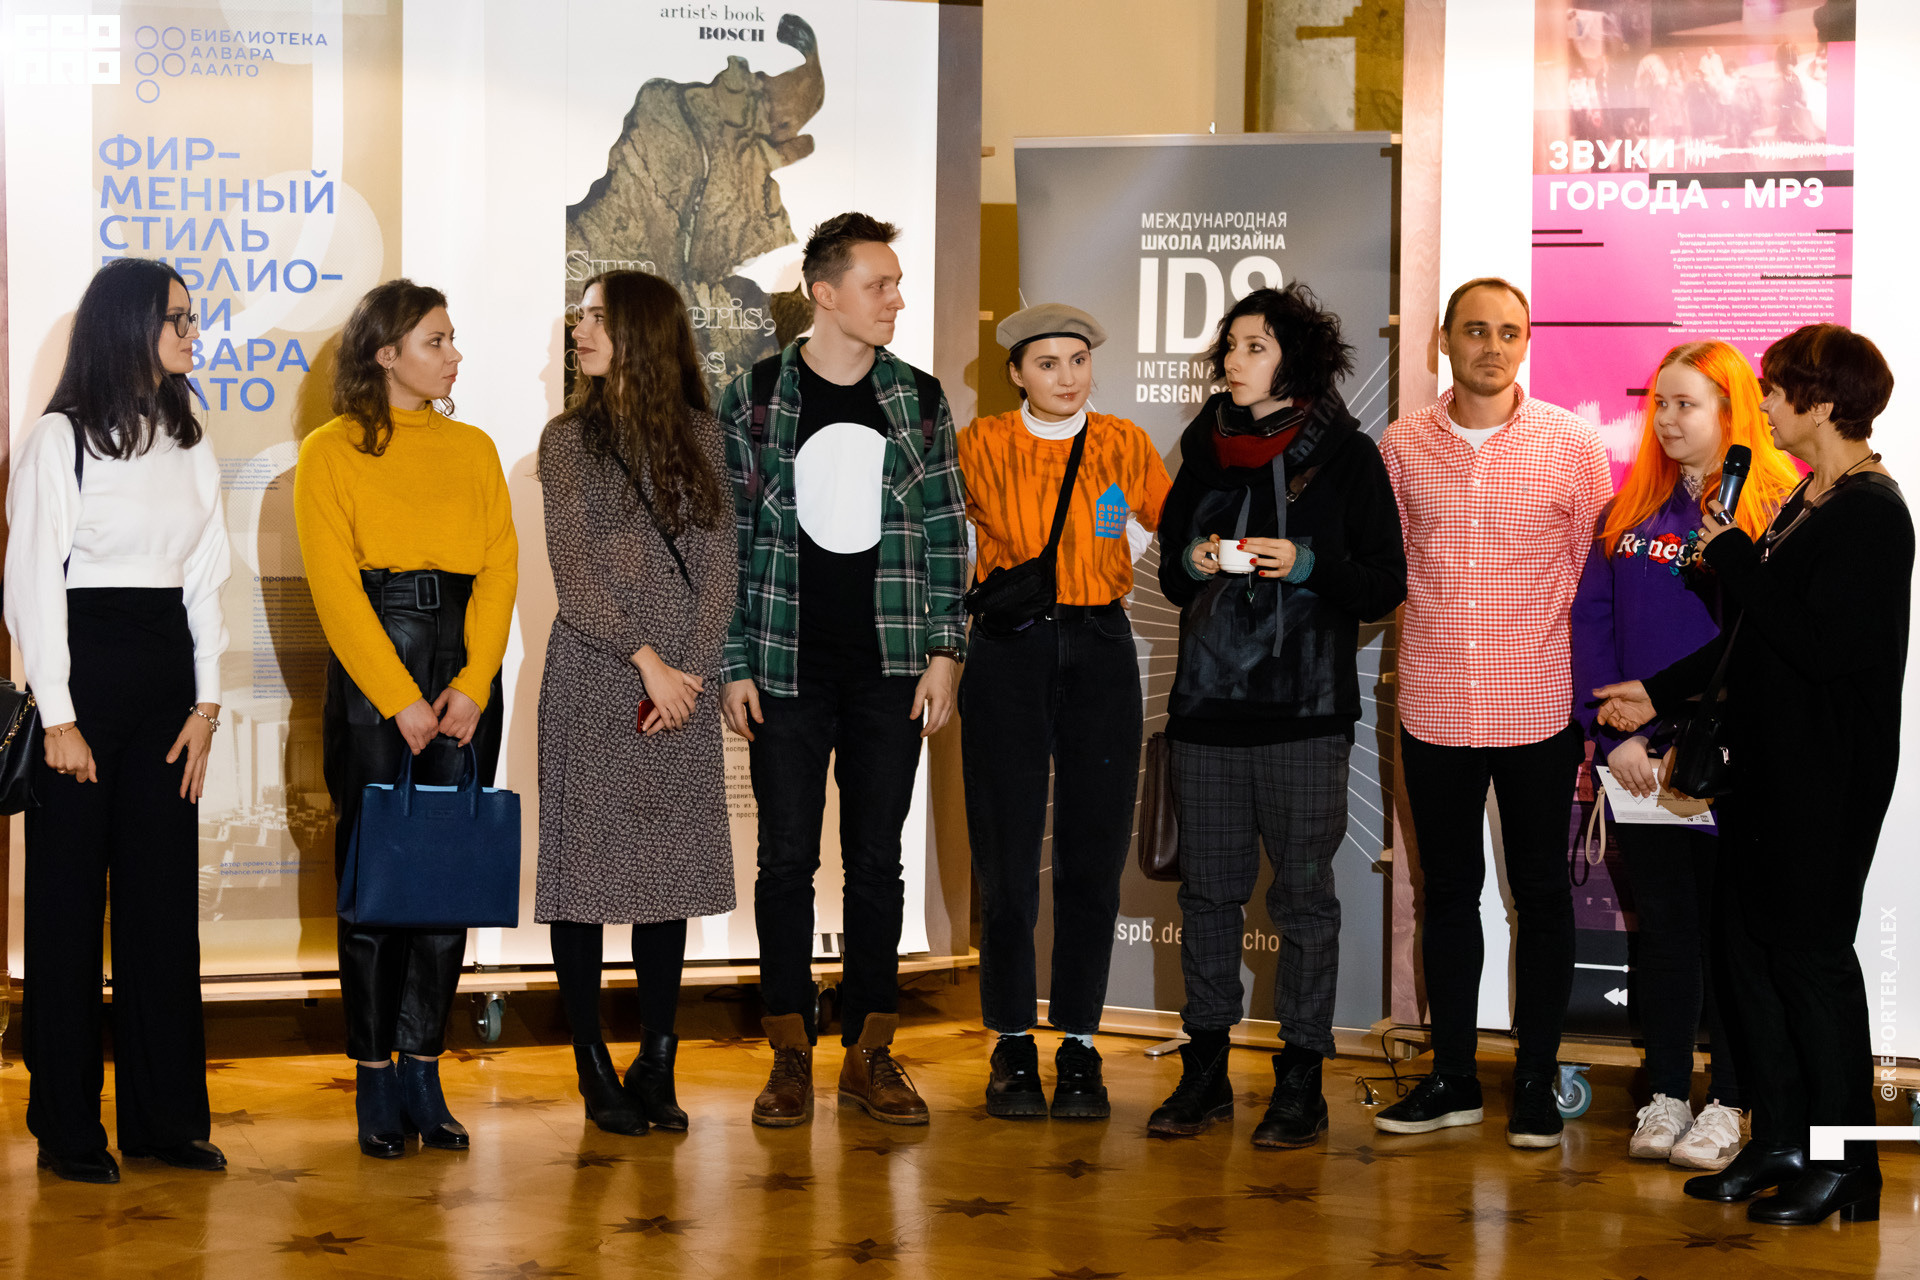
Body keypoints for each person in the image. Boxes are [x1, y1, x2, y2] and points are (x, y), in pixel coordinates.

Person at [1597, 323, 1910, 1225]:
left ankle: (1845, 1166)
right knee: (1749, 963)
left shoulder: (1872, 513)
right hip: (1766, 774)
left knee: (1811, 969)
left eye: (1776, 389)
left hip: (1827, 783)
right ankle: (1777, 1141)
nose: (1764, 404)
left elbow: (1817, 647)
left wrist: (1733, 556)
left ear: (1822, 403)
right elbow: (1750, 643)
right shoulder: (1811, 496)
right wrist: (1655, 691)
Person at [718, 212, 968, 1127]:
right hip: (783, 664)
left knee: (875, 863)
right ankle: (788, 1052)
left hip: (891, 668)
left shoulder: (919, 398)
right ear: (824, 294)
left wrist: (945, 653)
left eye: (896, 283)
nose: (896, 298)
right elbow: (725, 539)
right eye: (879, 284)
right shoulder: (754, 396)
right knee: (785, 861)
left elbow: (948, 533)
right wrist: (732, 660)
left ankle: (871, 1053)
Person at [1146, 284, 1406, 1145]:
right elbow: (1171, 574)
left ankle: (1301, 1080)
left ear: (1295, 359)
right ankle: (1205, 1073)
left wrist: (1307, 565)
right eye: (1230, 345)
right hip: (1206, 710)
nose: (1233, 359)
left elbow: (1384, 584)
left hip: (1305, 711)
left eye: (1253, 346)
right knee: (1208, 898)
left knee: (1303, 902)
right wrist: (1193, 558)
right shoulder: (1203, 449)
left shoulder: (1349, 456)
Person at [5, 258, 231, 1184]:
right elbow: (31, 583)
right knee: (66, 911)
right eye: (177, 318)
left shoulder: (190, 440)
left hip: (168, 683)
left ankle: (164, 1119)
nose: (191, 332)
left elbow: (207, 578)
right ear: (126, 324)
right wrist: (58, 716)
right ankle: (67, 1128)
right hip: (83, 678)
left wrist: (208, 703)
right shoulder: (60, 439)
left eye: (192, 317)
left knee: (163, 907)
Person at [1376, 277, 1612, 1149]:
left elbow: (1596, 578)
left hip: (1540, 704)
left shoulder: (1573, 444)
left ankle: (1537, 1082)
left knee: (1541, 895)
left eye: (1509, 331)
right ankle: (1453, 1079)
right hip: (1434, 701)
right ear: (1443, 340)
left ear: (1527, 341)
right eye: (1475, 330)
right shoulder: (1401, 445)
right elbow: (1390, 563)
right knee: (1446, 894)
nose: (1493, 346)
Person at [294, 279, 518, 1159]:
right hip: (374, 672)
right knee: (374, 884)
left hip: (462, 673)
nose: (454, 354)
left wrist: (473, 683)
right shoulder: (329, 451)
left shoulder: (474, 447)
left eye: (452, 339)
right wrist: (398, 699)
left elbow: (499, 568)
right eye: (436, 340)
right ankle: (374, 1077)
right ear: (385, 354)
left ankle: (425, 1070)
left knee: (445, 878)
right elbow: (333, 588)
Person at [1571, 340, 1797, 1171]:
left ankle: (1731, 1102)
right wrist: (1619, 739)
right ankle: (1667, 1091)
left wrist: (1695, 739)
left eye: (1686, 404)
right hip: (1638, 763)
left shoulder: (1776, 510)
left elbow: (1767, 645)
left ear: (1733, 413)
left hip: (1729, 767)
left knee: (1734, 938)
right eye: (1658, 403)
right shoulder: (1628, 512)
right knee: (1666, 934)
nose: (1666, 420)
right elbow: (1592, 625)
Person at [956, 303, 1171, 1120]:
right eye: (1047, 363)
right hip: (1008, 649)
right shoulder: (978, 444)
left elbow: (1170, 526)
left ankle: (1080, 1039)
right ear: (1016, 373)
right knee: (1006, 854)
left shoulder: (1123, 442)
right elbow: (943, 542)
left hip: (1102, 646)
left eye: (1077, 360)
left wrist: (1123, 551)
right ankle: (1011, 1039)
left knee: (1094, 852)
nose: (1067, 376)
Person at [535, 270, 737, 1135]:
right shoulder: (567, 441)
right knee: (581, 879)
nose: (578, 330)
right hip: (595, 675)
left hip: (681, 686)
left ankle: (658, 1062)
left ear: (642, 333)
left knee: (668, 877)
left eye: (595, 318)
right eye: (580, 316)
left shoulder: (704, 435)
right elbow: (574, 573)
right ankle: (592, 1066)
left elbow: (720, 567)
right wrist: (649, 663)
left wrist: (689, 673)